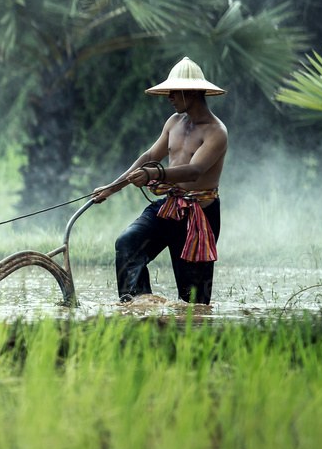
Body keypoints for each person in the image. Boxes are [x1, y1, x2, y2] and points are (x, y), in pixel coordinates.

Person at [92, 57, 228, 304]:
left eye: (174, 91)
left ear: (193, 92)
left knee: (192, 300)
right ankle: (138, 307)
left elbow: (194, 170)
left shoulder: (216, 131)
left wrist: (155, 174)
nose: (169, 97)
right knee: (128, 244)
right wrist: (111, 189)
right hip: (169, 206)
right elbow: (149, 156)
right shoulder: (174, 122)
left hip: (198, 216)